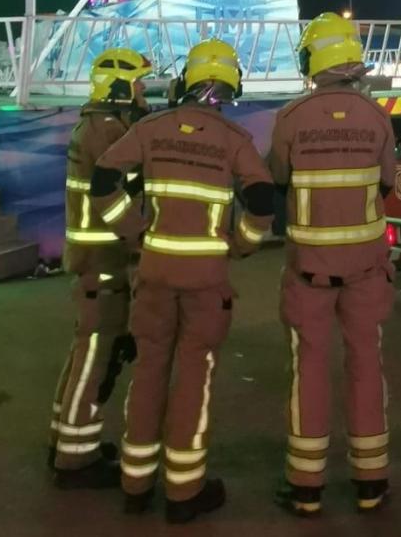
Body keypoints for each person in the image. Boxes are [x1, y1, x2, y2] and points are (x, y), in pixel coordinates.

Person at [92, 38, 275, 523]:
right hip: (206, 280)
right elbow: (261, 200)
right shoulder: (235, 140)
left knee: (150, 369)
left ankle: (135, 484)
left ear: (185, 81)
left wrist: (134, 232)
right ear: (231, 85)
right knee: (195, 375)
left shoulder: (151, 127)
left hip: (153, 272)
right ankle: (184, 492)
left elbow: (103, 179)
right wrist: (242, 243)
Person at [266, 12, 397, 517]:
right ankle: (371, 481)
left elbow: (279, 179)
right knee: (367, 365)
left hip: (309, 272)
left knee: (309, 369)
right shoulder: (376, 116)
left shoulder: (291, 118)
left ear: (312, 59)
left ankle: (306, 486)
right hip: (366, 268)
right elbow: (385, 184)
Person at [50, 47, 152, 487]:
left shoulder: (96, 125)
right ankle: (76, 459)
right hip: (104, 260)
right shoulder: (109, 131)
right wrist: (143, 236)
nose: (146, 89)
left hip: (94, 258)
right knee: (96, 355)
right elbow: (113, 200)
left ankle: (66, 436)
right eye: (140, 82)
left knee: (84, 352)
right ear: (119, 86)